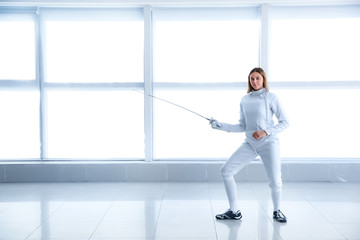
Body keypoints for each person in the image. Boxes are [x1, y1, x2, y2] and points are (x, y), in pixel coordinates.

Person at [210, 67, 289, 223]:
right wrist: (221, 125)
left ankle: (277, 210)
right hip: (250, 144)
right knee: (226, 171)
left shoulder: (272, 97)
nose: (254, 81)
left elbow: (285, 122)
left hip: (269, 143)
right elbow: (242, 126)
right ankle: (234, 211)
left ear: (263, 79)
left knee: (275, 180)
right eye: (252, 79)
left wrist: (265, 132)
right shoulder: (245, 100)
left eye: (257, 78)